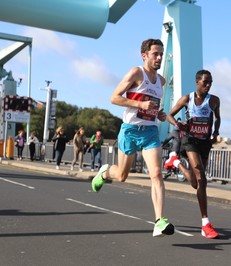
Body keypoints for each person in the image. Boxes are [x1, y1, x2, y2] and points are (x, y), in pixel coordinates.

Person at [91, 38, 174, 237]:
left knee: (156, 174)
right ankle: (104, 173)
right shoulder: (136, 73)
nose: (159, 57)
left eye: (161, 54)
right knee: (122, 176)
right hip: (130, 130)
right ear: (144, 55)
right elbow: (114, 97)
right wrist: (139, 105)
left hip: (150, 132)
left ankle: (159, 221)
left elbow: (152, 106)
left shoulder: (161, 81)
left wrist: (159, 113)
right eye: (156, 54)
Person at [165, 69, 221, 239]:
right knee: (201, 175)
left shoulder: (214, 101)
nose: (208, 85)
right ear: (197, 82)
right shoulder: (186, 99)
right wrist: (178, 124)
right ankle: (205, 223)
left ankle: (175, 163)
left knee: (197, 183)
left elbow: (218, 118)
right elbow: (169, 115)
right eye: (205, 82)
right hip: (190, 140)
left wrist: (215, 133)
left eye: (210, 82)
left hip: (205, 142)